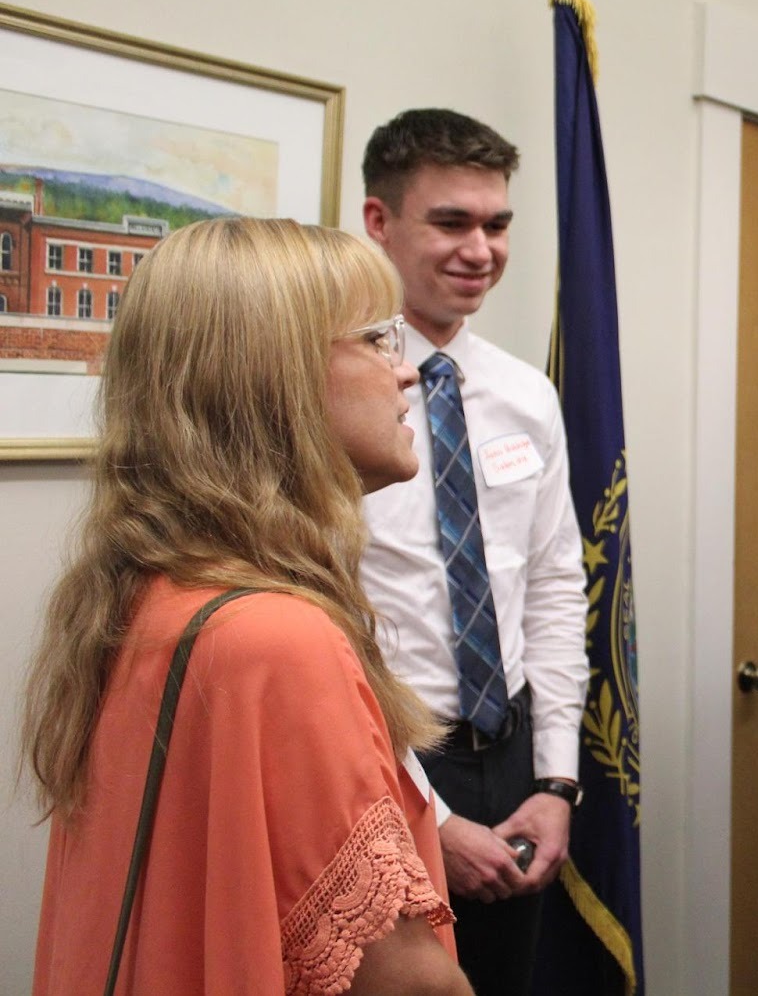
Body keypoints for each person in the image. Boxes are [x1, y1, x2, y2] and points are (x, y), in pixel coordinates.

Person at [24, 218, 471, 994]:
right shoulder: (277, 639)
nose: (407, 373)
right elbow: (402, 983)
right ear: (276, 377)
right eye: (376, 339)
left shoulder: (148, 593)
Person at [359, 107, 590, 996]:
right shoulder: (333, 384)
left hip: (514, 747)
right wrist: (433, 816)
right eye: (451, 222)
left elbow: (555, 585)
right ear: (380, 222)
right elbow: (332, 625)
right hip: (389, 756)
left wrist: (556, 781)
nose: (480, 249)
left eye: (497, 225)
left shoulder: (527, 394)